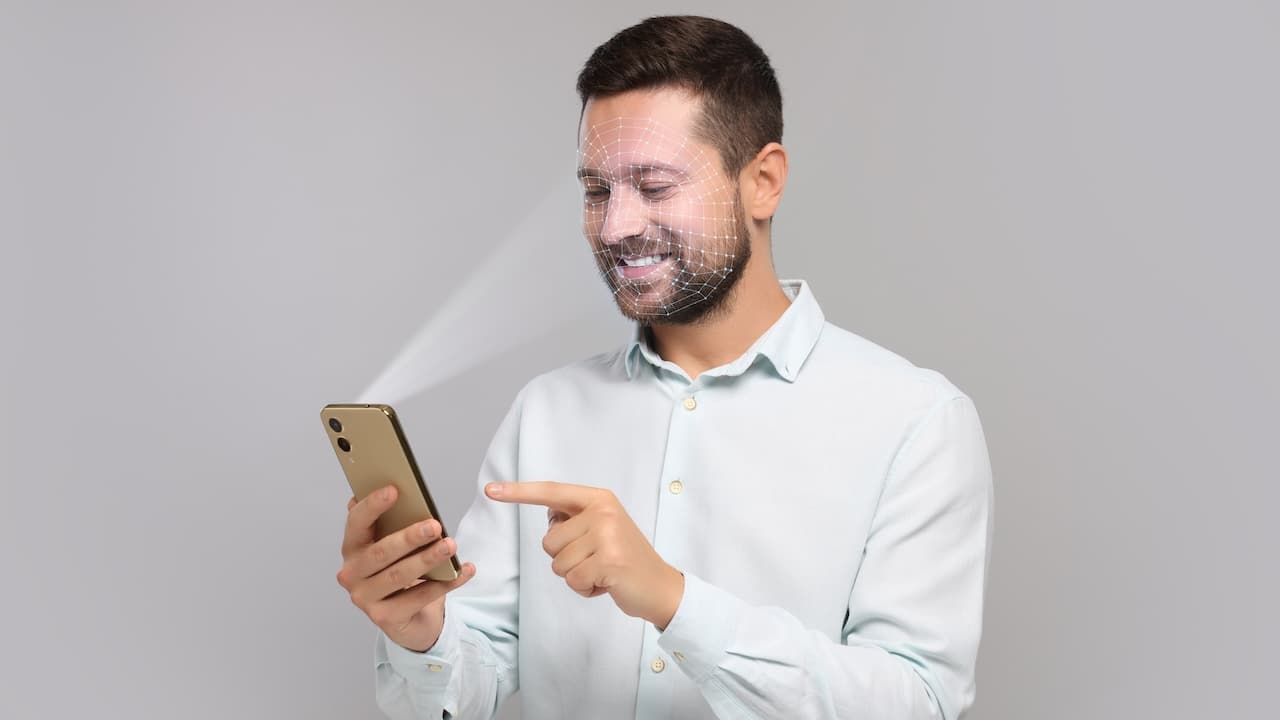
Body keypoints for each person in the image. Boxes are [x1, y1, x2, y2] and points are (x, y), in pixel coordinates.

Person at [336, 15, 993, 720]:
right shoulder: (548, 410)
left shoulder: (915, 424)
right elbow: (471, 682)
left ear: (764, 181)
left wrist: (678, 603)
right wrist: (421, 636)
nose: (616, 226)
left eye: (652, 185)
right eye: (596, 191)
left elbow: (919, 703)